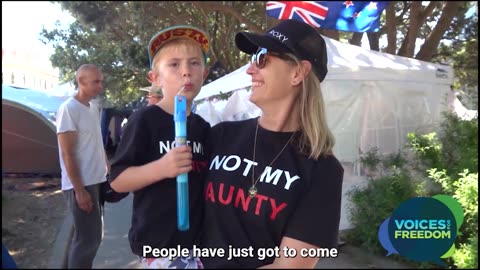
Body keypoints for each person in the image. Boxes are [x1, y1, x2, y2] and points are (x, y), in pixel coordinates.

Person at [200, 19, 344, 268]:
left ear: (298, 73)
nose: (250, 69)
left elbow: (288, 266)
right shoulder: (221, 135)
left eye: (262, 57)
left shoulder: (323, 170)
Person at [109, 25, 211, 269]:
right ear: (155, 78)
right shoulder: (144, 120)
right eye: (174, 65)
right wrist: (162, 167)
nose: (186, 72)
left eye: (194, 63)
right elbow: (118, 181)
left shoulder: (203, 127)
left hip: (200, 244)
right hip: (160, 245)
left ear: (205, 74)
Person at [56, 64, 109, 268]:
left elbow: (95, 141)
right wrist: (79, 190)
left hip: (96, 181)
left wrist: (105, 164)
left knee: (94, 236)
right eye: (96, 81)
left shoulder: (93, 107)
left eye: (100, 81)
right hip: (82, 185)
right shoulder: (69, 108)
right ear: (81, 81)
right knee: (88, 240)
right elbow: (67, 153)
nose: (100, 85)